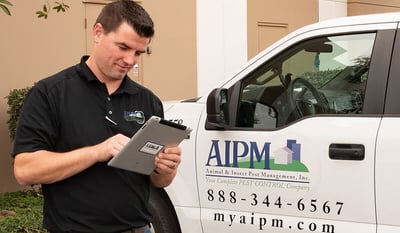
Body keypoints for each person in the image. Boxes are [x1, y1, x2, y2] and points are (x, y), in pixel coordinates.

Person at [12, 1, 181, 232]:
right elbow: (25, 171)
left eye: (138, 52)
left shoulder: (147, 101)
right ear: (98, 33)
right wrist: (97, 152)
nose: (131, 61)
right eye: (123, 47)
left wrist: (166, 169)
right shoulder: (50, 93)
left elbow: (157, 181)